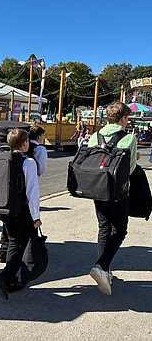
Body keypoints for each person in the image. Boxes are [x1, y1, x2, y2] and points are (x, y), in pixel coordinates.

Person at [87, 102, 137, 296]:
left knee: (104, 227)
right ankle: (101, 266)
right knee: (120, 230)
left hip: (97, 188)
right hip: (118, 192)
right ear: (123, 118)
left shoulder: (94, 136)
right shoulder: (128, 138)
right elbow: (130, 169)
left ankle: (104, 270)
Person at [0, 128, 42, 300]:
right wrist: (36, 217)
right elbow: (32, 193)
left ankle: (10, 280)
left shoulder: (4, 160)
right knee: (21, 246)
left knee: (13, 242)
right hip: (23, 211)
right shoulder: (29, 163)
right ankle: (5, 277)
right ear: (25, 143)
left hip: (6, 209)